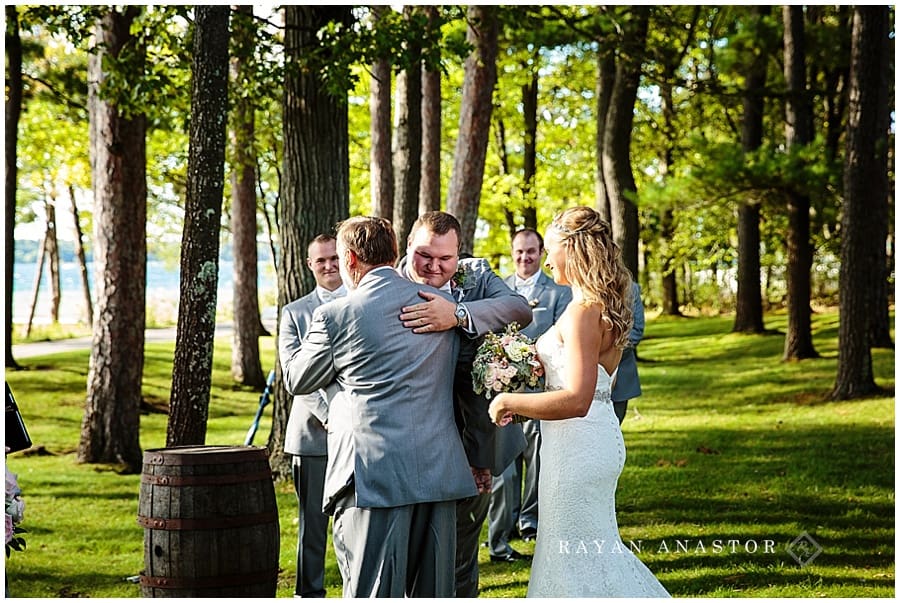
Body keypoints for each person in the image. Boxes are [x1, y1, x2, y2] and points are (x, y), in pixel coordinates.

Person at [282, 217, 477, 598]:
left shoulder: (336, 315)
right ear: (394, 253)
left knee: (372, 590)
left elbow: (298, 380)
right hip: (437, 468)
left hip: (372, 475)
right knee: (435, 593)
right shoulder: (444, 306)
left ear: (351, 259)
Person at [488, 207, 670, 598]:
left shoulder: (582, 312)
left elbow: (577, 399)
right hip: (589, 441)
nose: (548, 259)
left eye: (551, 250)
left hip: (577, 447)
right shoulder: (600, 303)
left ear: (573, 250)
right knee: (588, 551)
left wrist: (509, 400)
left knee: (572, 554)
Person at [395, 211, 533, 596]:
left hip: (476, 442)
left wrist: (458, 314)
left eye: (446, 259)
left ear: (459, 253)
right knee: (412, 555)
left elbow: (520, 309)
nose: (435, 267)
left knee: (462, 551)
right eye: (425, 255)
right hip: (412, 446)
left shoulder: (475, 276)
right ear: (409, 246)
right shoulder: (386, 285)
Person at [487, 228, 572, 561]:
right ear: (512, 253)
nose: (524, 258)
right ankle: (502, 526)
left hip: (539, 389)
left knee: (537, 458)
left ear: (540, 253)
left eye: (531, 252)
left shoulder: (558, 291)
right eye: (519, 252)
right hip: (504, 389)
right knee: (504, 462)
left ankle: (530, 520)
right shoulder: (500, 288)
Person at [278, 234, 346, 598]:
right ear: (310, 265)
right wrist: (332, 414)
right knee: (313, 526)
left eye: (335, 258)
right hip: (312, 435)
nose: (329, 265)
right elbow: (294, 378)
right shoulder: (294, 313)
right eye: (321, 260)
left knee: (355, 522)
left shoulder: (360, 303)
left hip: (359, 435)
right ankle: (309, 594)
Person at [612, 280, 645, 424]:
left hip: (620, 377)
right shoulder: (570, 285)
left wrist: (606, 352)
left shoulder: (631, 288)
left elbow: (636, 331)